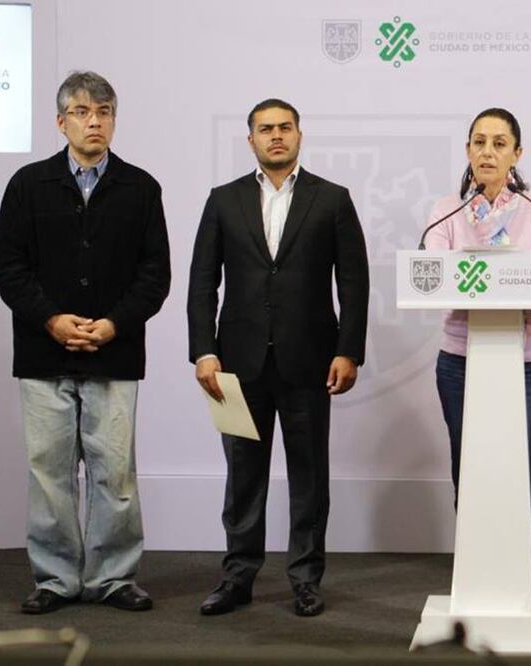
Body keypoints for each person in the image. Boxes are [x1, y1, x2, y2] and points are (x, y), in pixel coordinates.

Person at [0, 71, 171, 614]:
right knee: (50, 473)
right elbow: (8, 265)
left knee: (114, 473)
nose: (96, 121)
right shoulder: (29, 184)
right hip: (44, 354)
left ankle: (114, 578)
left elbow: (154, 274)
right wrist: (51, 320)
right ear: (61, 120)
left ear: (115, 119)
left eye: (105, 111)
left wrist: (114, 323)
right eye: (84, 112)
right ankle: (55, 579)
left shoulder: (140, 187)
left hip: (114, 353)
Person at [186, 98, 369, 617]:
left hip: (310, 362)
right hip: (236, 368)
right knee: (243, 475)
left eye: (285, 128)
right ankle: (238, 576)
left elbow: (354, 284)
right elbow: (203, 282)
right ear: (250, 140)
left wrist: (348, 350)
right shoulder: (223, 200)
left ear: (299, 135)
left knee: (310, 476)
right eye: (265, 129)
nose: (276, 137)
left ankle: (306, 579)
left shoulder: (332, 199)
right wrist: (203, 351)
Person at [423, 107, 531, 577]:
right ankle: (478, 570)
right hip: (460, 359)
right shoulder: (448, 209)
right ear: (467, 150)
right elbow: (438, 276)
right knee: (470, 467)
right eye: (479, 142)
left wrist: (490, 265)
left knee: (523, 471)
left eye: (499, 143)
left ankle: (525, 570)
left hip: (524, 360)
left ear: (517, 153)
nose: (488, 151)